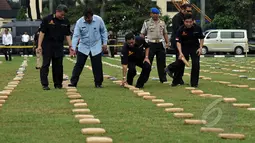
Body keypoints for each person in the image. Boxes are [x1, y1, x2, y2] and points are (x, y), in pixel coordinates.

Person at [68, 7, 108, 88]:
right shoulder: (79, 22)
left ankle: (98, 83)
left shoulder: (99, 20)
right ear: (84, 17)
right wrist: (73, 48)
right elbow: (76, 36)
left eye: (89, 18)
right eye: (86, 18)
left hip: (96, 45)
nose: (88, 20)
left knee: (97, 65)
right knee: (79, 64)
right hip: (83, 46)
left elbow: (104, 31)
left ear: (92, 16)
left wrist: (105, 43)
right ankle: (73, 82)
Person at [37, 4, 72, 90]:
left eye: (64, 15)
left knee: (58, 66)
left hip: (59, 46)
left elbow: (67, 34)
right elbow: (42, 32)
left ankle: (58, 84)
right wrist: (39, 45)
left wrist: (71, 45)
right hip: (47, 45)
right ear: (57, 11)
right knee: (45, 65)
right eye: (61, 14)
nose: (63, 16)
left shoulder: (65, 21)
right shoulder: (47, 19)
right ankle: (45, 84)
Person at [166, 14, 204, 87]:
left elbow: (201, 38)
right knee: (180, 63)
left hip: (194, 47)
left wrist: (200, 48)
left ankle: (194, 83)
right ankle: (173, 77)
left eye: (190, 22)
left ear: (193, 21)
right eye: (187, 22)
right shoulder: (180, 29)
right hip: (184, 47)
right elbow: (178, 42)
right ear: (184, 21)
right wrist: (180, 53)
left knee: (196, 64)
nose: (188, 23)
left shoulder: (197, 28)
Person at [166, 4, 193, 85]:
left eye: (190, 11)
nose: (189, 13)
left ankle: (178, 78)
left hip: (184, 42)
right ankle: (170, 68)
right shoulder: (177, 17)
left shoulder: (186, 18)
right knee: (181, 59)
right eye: (188, 11)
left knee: (184, 60)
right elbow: (178, 30)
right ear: (182, 9)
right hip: (178, 41)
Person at [140, 7, 169, 83]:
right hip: (150, 44)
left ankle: (163, 79)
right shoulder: (147, 22)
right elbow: (142, 33)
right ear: (151, 14)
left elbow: (165, 33)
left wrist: (167, 42)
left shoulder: (162, 22)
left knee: (162, 63)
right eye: (154, 13)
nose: (156, 15)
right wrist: (141, 43)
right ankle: (144, 79)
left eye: (157, 14)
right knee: (148, 62)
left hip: (160, 43)